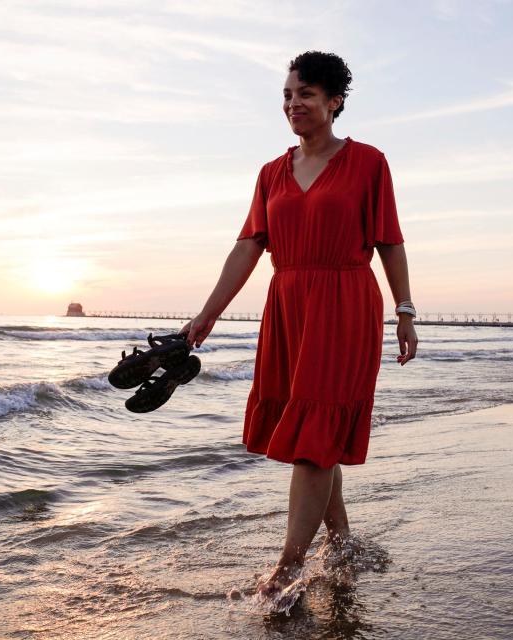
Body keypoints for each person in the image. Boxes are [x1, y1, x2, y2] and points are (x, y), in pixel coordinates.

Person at [179, 50, 418, 598]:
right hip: (288, 305)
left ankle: (287, 567)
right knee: (314, 433)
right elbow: (248, 245)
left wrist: (404, 311)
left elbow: (389, 241)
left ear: (334, 102)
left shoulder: (368, 163)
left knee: (314, 436)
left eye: (306, 94)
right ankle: (341, 541)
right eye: (288, 95)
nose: (294, 104)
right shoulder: (270, 173)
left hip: (344, 304)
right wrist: (208, 311)